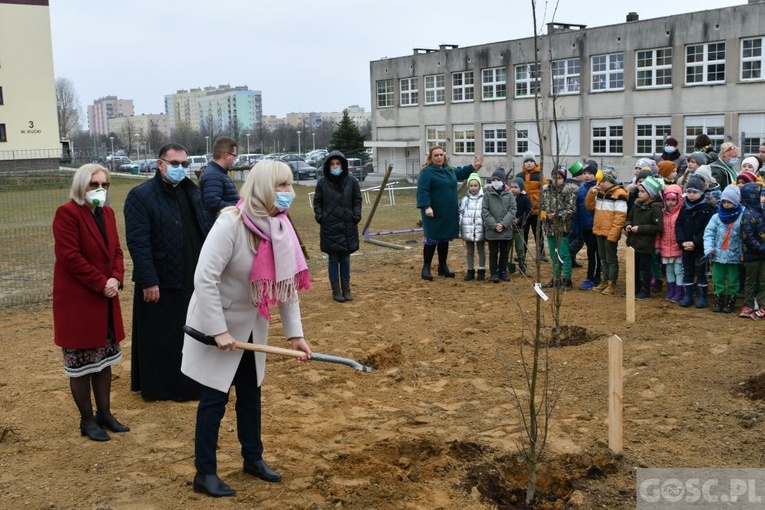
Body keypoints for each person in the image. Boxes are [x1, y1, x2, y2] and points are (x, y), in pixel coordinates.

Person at [181, 159, 312, 498]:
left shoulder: (280, 227)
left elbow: (286, 285)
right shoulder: (231, 223)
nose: (288, 193)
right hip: (218, 325)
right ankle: (205, 473)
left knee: (251, 395)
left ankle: (253, 458)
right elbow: (204, 278)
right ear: (263, 187)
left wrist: (295, 335)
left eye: (289, 185)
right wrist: (218, 330)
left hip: (253, 324)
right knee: (214, 399)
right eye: (281, 186)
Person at [124, 143, 209, 401]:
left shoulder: (191, 192)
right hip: (160, 279)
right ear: (160, 164)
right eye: (175, 164)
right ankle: (162, 386)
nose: (181, 168)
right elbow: (138, 242)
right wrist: (149, 280)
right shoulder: (141, 196)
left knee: (191, 331)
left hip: (191, 275)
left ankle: (192, 381)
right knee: (163, 335)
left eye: (185, 164)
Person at [52, 164, 129, 441]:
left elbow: (117, 251)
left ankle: (105, 413)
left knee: (103, 361)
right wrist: (100, 282)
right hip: (79, 302)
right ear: (81, 186)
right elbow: (70, 257)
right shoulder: (67, 214)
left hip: (105, 299)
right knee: (82, 364)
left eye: (105, 185)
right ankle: (87, 420)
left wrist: (115, 278)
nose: (100, 190)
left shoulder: (107, 213)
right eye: (93, 185)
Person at [416, 146, 483, 280]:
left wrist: (474, 166)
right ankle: (426, 268)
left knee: (444, 239)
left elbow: (461, 172)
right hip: (433, 213)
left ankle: (443, 266)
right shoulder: (427, 172)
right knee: (431, 239)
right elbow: (422, 191)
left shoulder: (449, 170)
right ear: (431, 157)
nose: (439, 157)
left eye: (441, 155)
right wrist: (426, 207)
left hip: (448, 212)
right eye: (436, 155)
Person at [313, 150, 362, 301]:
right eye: (332, 164)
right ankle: (336, 291)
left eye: (338, 163)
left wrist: (356, 216)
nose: (335, 166)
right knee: (333, 260)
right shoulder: (322, 182)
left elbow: (357, 200)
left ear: (343, 165)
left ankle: (346, 289)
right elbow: (317, 201)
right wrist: (321, 217)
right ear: (328, 166)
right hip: (330, 228)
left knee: (345, 260)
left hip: (348, 226)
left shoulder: (352, 181)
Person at [585, 168, 628, 295]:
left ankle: (612, 283)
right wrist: (591, 193)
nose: (600, 183)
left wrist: (614, 234)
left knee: (611, 259)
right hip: (599, 230)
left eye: (603, 181)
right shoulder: (599, 192)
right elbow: (589, 206)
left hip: (610, 232)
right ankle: (604, 281)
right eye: (599, 181)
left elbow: (620, 217)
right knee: (603, 258)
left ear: (611, 181)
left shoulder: (619, 194)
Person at [675, 174, 715, 308]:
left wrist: (696, 243)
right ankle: (688, 295)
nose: (691, 195)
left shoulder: (708, 208)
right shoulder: (684, 207)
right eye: (689, 192)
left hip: (700, 248)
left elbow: (708, 229)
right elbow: (678, 225)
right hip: (686, 247)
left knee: (701, 271)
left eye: (694, 192)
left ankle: (702, 296)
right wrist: (682, 242)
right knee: (688, 271)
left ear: (701, 192)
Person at [703, 185, 744, 313]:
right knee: (717, 278)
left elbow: (745, 237)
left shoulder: (742, 216)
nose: (726, 204)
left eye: (730, 202)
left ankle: (731, 300)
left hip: (734, 255)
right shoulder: (716, 217)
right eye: (724, 201)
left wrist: (743, 253)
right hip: (717, 254)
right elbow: (709, 233)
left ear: (736, 201)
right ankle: (719, 299)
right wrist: (709, 249)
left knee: (733, 279)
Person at [625, 176, 664, 299]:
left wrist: (639, 228)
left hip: (646, 244)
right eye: (639, 191)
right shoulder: (637, 205)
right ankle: (635, 288)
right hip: (634, 242)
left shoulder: (656, 208)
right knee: (634, 267)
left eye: (643, 191)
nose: (639, 194)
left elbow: (658, 227)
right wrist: (628, 225)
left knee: (645, 268)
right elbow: (629, 217)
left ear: (651, 194)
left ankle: (645, 290)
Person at [540, 167, 578, 288]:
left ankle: (567, 279)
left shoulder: (568, 192)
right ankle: (556, 278)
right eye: (554, 177)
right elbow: (542, 206)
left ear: (564, 179)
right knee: (553, 254)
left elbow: (571, 209)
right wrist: (543, 215)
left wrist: (557, 215)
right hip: (549, 228)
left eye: (560, 178)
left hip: (562, 228)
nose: (556, 180)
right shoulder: (546, 190)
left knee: (563, 254)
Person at [482, 168, 517, 283]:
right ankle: (493, 273)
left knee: (504, 252)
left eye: (498, 179)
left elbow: (512, 209)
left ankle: (503, 271)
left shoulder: (509, 194)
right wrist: (494, 224)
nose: (495, 182)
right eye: (493, 180)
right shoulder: (487, 194)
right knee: (493, 252)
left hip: (505, 230)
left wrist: (503, 224)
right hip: (492, 230)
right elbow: (485, 211)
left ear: (503, 181)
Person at [200, 136, 240, 226]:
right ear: (226, 155)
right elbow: (213, 203)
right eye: (234, 155)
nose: (235, 159)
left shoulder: (218, 173)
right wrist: (238, 206)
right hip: (217, 226)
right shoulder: (213, 175)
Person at [739, 182, 765, 319]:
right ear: (752, 197)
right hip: (752, 254)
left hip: (762, 254)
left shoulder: (762, 211)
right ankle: (748, 305)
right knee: (750, 281)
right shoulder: (748, 215)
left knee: (763, 281)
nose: (764, 198)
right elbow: (748, 236)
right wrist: (761, 249)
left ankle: (762, 306)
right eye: (761, 195)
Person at [574, 161, 601, 290]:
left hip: (594, 226)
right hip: (583, 225)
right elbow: (579, 206)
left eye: (590, 173)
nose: (587, 176)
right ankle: (594, 276)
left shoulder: (597, 188)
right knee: (591, 252)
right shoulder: (582, 187)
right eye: (585, 173)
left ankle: (592, 278)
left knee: (593, 252)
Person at [657, 184, 685, 303]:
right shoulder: (662, 213)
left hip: (677, 246)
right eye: (668, 199)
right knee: (668, 269)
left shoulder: (682, 213)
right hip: (665, 246)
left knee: (678, 270)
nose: (670, 202)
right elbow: (659, 231)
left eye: (673, 200)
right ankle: (671, 289)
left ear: (679, 199)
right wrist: (657, 245)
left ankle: (679, 291)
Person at [520, 151, 548, 262]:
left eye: (531, 161)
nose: (529, 163)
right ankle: (522, 253)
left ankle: (541, 253)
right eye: (526, 161)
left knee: (538, 233)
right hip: (524, 212)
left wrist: (543, 209)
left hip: (537, 210)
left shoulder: (540, 175)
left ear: (535, 162)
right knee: (523, 233)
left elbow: (545, 192)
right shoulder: (519, 176)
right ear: (523, 163)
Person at [458, 173, 486, 281]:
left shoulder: (484, 199)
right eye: (471, 186)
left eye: (475, 185)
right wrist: (461, 227)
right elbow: (460, 213)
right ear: (468, 187)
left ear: (479, 186)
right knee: (470, 251)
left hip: (480, 229)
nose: (473, 188)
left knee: (481, 250)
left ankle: (481, 270)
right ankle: (470, 271)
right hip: (468, 229)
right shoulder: (464, 200)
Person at [509, 177, 531, 276]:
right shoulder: (508, 197)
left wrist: (519, 220)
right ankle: (505, 264)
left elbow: (528, 212)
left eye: (515, 187)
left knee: (520, 247)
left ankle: (522, 264)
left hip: (519, 227)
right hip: (508, 226)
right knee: (507, 246)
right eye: (511, 187)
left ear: (521, 188)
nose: (513, 189)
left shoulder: (525, 198)